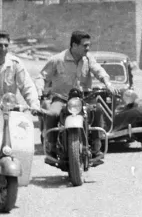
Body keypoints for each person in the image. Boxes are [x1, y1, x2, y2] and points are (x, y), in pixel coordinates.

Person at [40, 30, 113, 165]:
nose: (88, 48)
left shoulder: (88, 59)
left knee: (97, 109)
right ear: (74, 45)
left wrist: (107, 83)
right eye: (85, 45)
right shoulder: (57, 60)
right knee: (52, 113)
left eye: (89, 45)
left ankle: (96, 145)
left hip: (84, 97)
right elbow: (42, 76)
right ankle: (51, 146)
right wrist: (38, 90)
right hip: (62, 98)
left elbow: (98, 70)